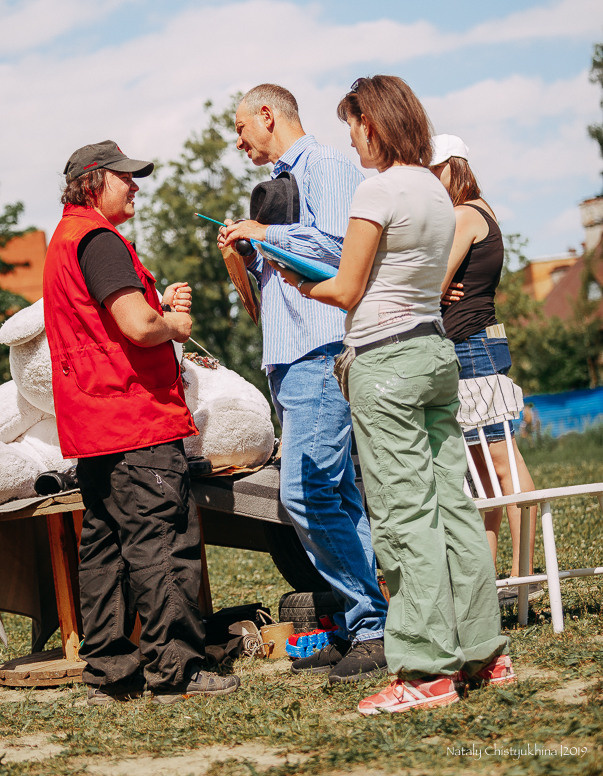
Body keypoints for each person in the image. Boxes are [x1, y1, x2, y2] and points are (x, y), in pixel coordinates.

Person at [276, 77, 512, 715]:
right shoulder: (437, 189)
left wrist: (295, 275)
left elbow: (348, 289)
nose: (350, 138)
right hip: (436, 354)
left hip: (385, 363)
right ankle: (486, 654)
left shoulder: (376, 188)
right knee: (453, 509)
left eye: (352, 124)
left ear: (371, 125)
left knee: (403, 518)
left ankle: (425, 672)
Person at [43, 140, 240, 705]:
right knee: (162, 541)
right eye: (125, 177)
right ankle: (175, 670)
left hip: (96, 425)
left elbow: (107, 322)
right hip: (136, 421)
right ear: (92, 181)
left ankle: (110, 675)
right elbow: (136, 325)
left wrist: (160, 303)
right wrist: (173, 325)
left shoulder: (66, 240)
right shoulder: (100, 241)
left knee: (103, 549)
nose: (136, 186)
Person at [219, 84, 389, 685]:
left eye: (241, 127)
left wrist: (265, 235)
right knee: (338, 496)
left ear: (269, 115)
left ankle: (371, 621)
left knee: (305, 495)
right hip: (289, 358)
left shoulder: (329, 165)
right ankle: (362, 627)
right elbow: (276, 286)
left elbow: (343, 251)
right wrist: (244, 255)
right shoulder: (278, 186)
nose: (237, 140)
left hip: (320, 350)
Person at [430, 134, 538, 588]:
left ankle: (525, 573)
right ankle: (494, 582)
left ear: (457, 165)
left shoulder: (463, 214)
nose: (433, 178)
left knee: (501, 464)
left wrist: (430, 285)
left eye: (438, 169)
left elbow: (431, 284)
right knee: (484, 475)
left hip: (471, 347)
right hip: (476, 344)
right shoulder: (483, 209)